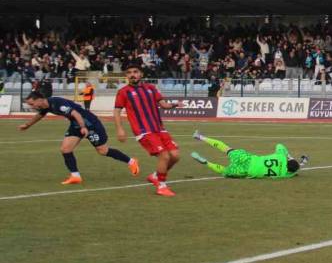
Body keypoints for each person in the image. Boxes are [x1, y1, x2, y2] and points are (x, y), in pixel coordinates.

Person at [19, 91, 139, 184]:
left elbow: (75, 113)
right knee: (65, 149)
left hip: (90, 124)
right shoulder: (45, 106)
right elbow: (40, 115)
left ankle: (131, 161)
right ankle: (75, 176)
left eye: (32, 104)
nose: (32, 106)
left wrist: (83, 127)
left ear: (39, 100)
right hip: (76, 124)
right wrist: (27, 125)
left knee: (103, 151)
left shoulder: (57, 103)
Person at [114, 61, 182, 197]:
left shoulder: (151, 88)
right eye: (129, 73)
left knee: (175, 156)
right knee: (164, 156)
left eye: (135, 72)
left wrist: (175, 104)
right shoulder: (123, 92)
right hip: (143, 131)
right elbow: (117, 111)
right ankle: (161, 186)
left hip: (159, 129)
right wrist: (120, 129)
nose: (132, 75)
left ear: (141, 74)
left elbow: (163, 105)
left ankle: (155, 176)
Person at [190, 131, 305, 178]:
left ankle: (200, 137)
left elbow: (280, 145)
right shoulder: (284, 174)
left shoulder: (281, 156)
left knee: (226, 149)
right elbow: (294, 171)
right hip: (248, 171)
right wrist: (302, 163)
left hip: (248, 159)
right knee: (225, 171)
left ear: (288, 161)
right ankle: (206, 162)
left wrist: (289, 156)